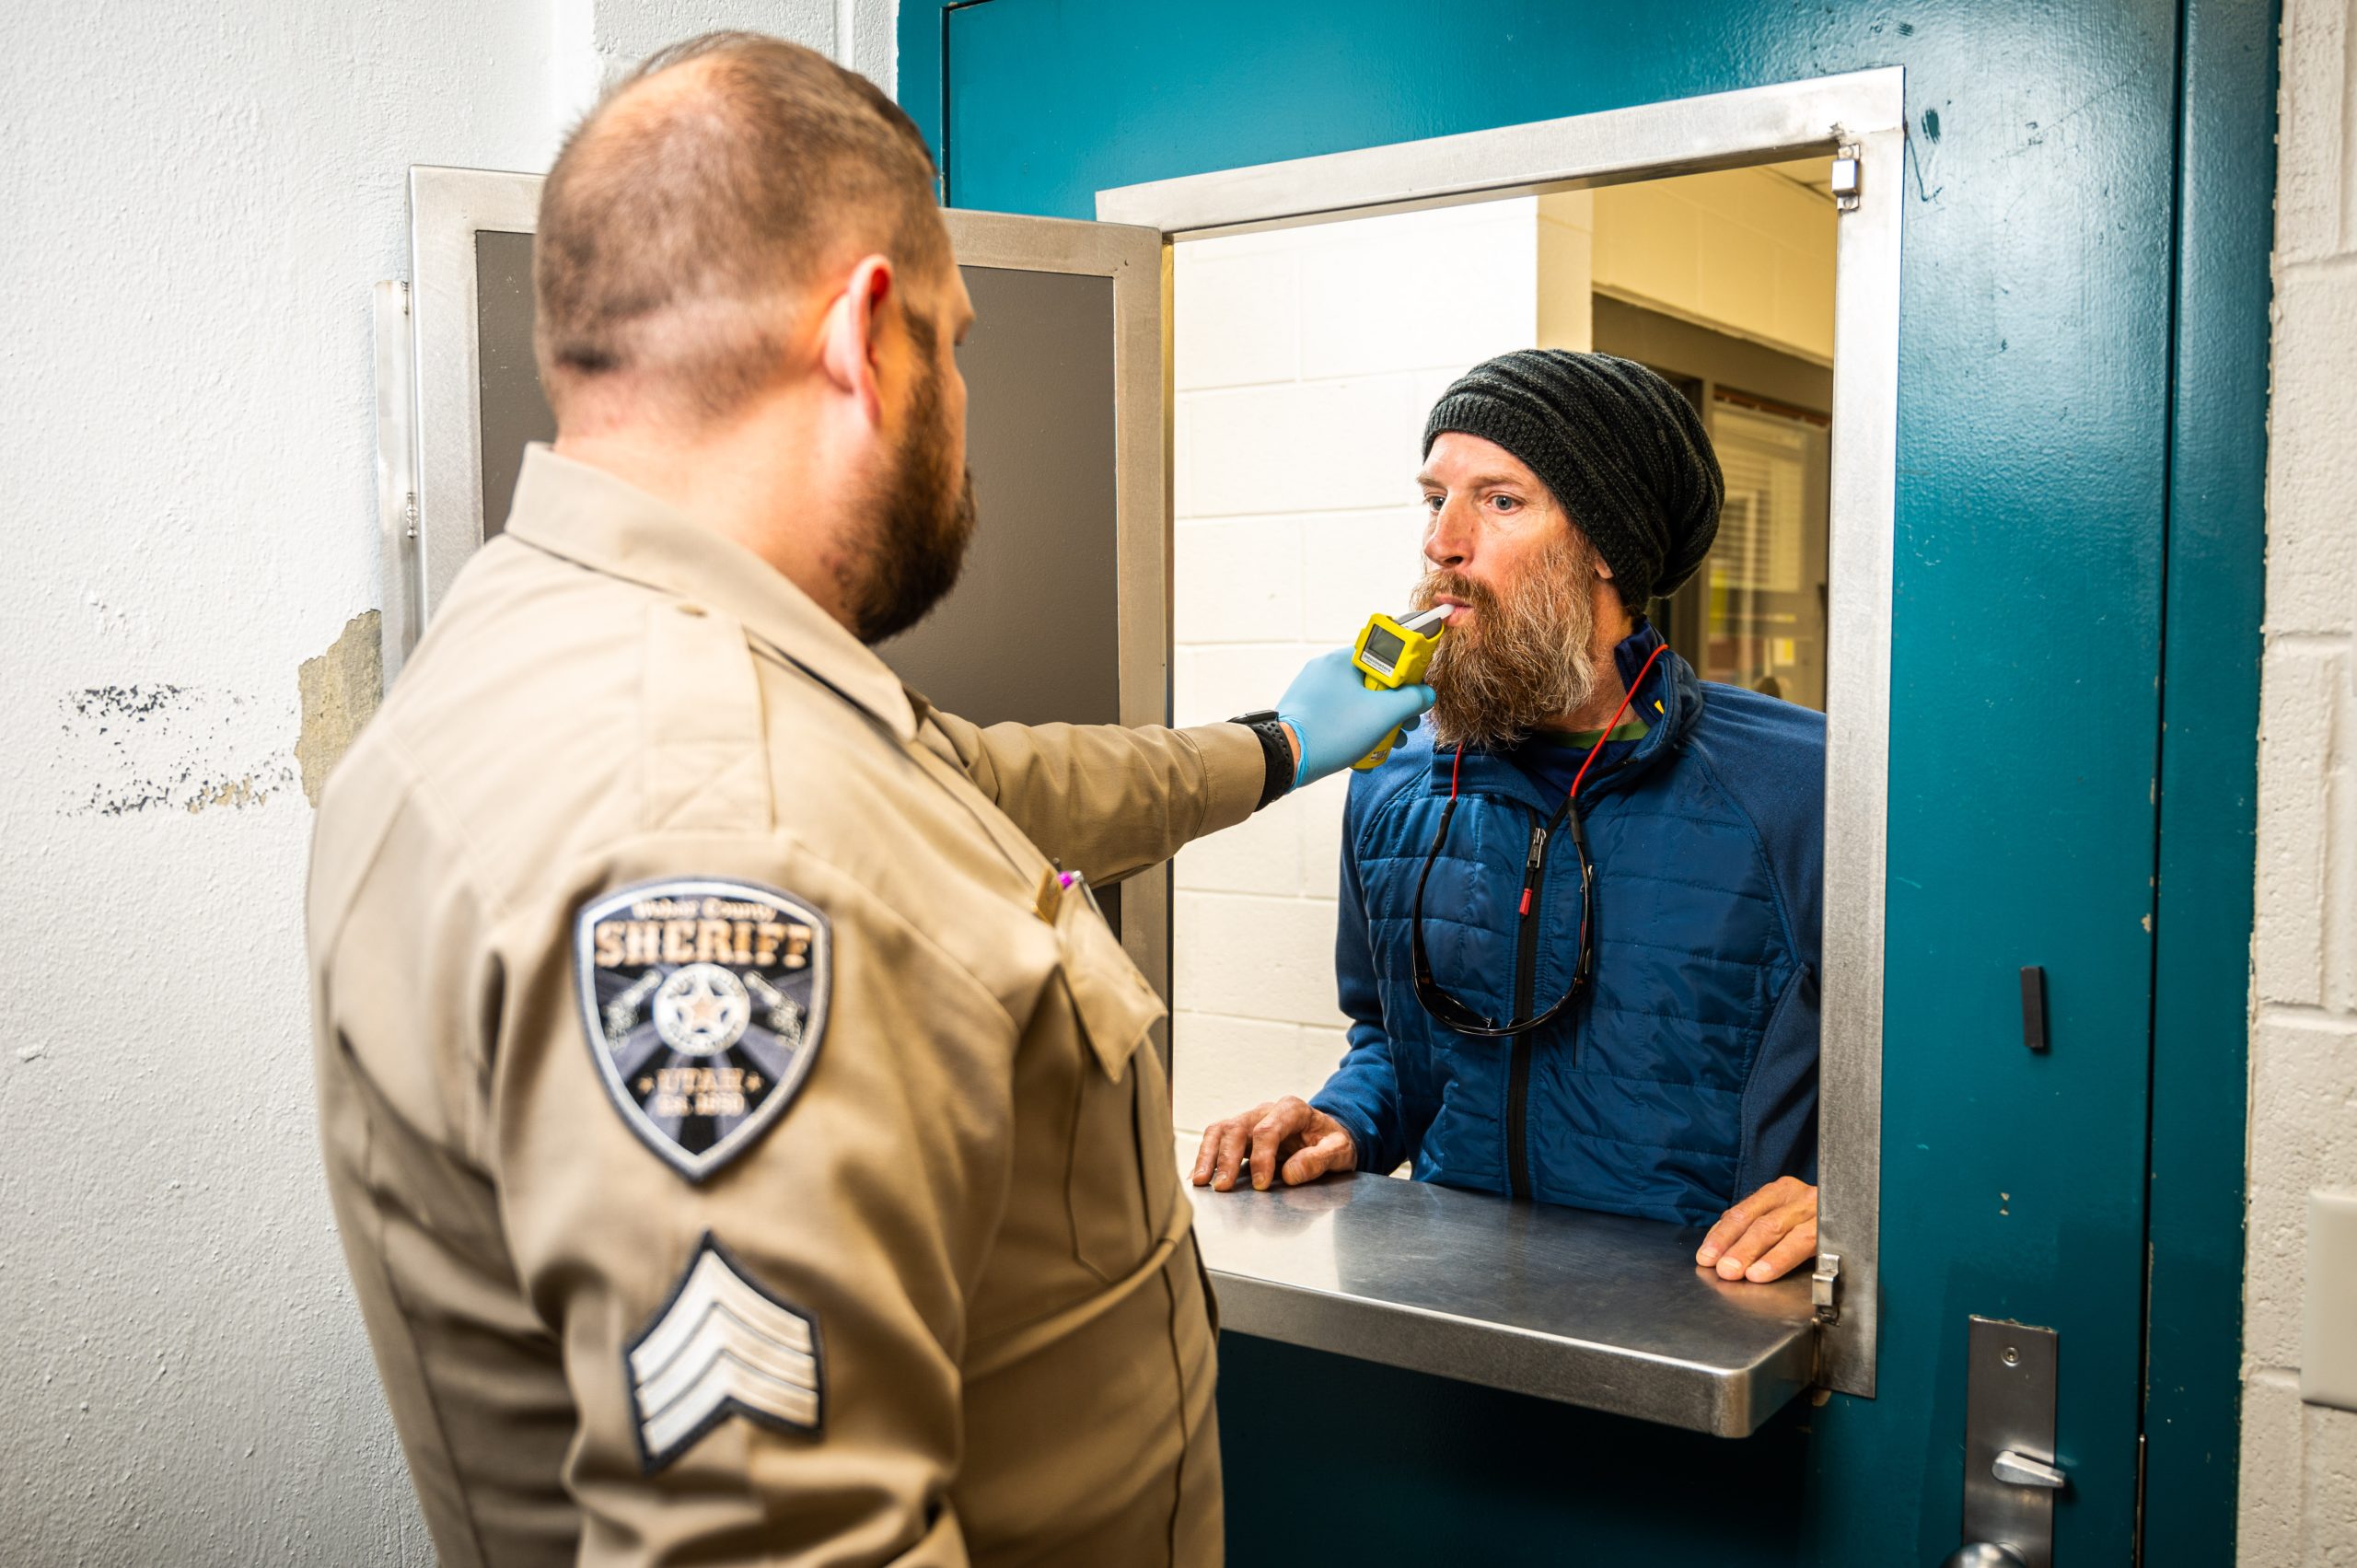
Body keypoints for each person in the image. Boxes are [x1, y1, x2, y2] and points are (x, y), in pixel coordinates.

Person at [307, 32, 1428, 1568]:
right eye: (951, 345)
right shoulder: (726, 820)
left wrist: (1280, 744)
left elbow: (976, 786)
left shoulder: (567, 648)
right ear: (860, 331)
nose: (959, 398)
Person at [1191, 350, 1827, 1286]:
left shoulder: (1800, 783)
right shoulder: (1394, 774)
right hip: (1453, 1310)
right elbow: (1392, 1043)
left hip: (1703, 1324)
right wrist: (1343, 1120)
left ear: (1606, 546)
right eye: (1433, 499)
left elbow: (1944, 1080)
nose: (1441, 542)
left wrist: (1850, 1195)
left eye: (1499, 500)